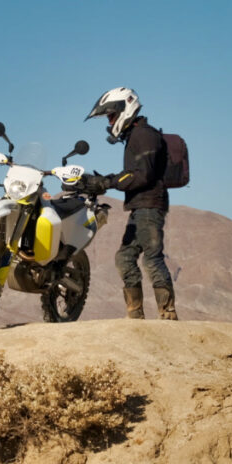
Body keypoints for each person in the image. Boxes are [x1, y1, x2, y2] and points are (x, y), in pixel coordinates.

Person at [81, 87, 178, 320]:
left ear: (126, 108)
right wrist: (105, 181)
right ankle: (135, 314)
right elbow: (133, 174)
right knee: (124, 258)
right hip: (140, 206)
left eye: (112, 115)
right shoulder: (136, 135)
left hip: (150, 206)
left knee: (152, 258)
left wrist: (107, 181)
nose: (110, 121)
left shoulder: (144, 135)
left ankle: (168, 313)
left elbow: (141, 174)